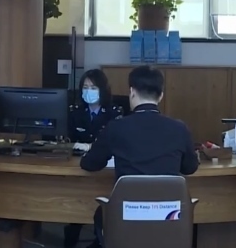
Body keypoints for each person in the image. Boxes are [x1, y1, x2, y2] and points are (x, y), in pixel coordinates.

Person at [79, 65, 199, 246]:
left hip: (126, 217)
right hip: (169, 218)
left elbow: (89, 164)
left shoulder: (116, 128)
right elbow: (190, 168)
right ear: (161, 96)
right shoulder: (179, 128)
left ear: (132, 92)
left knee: (100, 214)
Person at [64, 69, 120, 248]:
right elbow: (66, 139)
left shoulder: (114, 113)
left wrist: (90, 147)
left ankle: (99, 239)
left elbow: (116, 142)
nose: (89, 91)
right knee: (74, 205)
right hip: (78, 167)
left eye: (93, 87)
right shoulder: (75, 112)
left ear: (102, 90)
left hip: (104, 169)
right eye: (85, 87)